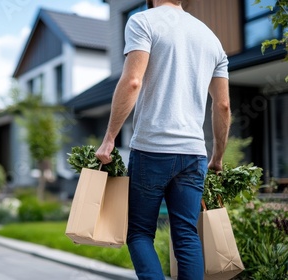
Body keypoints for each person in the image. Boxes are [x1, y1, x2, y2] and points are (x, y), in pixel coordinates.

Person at [94, 0, 231, 279]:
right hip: (194, 155)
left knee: (140, 233)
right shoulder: (211, 39)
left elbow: (133, 81)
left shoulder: (143, 21)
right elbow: (223, 105)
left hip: (152, 149)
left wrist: (109, 138)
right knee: (186, 234)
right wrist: (217, 157)